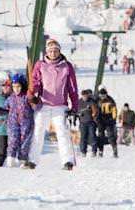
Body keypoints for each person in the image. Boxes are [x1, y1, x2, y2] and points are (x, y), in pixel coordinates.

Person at [27, 38, 79, 170]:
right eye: (51, 51)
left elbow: (72, 88)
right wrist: (32, 95)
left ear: (59, 51)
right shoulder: (40, 65)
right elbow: (36, 82)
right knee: (38, 131)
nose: (53, 53)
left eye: (56, 51)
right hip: (43, 104)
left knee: (62, 132)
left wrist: (75, 106)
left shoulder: (66, 66)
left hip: (60, 105)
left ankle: (68, 161)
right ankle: (32, 160)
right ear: (46, 52)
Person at [4, 73, 34, 168]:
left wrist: (35, 100)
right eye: (13, 87)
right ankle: (11, 159)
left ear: (23, 86)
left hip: (26, 122)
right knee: (13, 139)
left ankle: (23, 160)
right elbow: (5, 106)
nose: (16, 89)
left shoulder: (26, 97)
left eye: (18, 86)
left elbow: (37, 106)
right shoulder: (11, 98)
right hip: (13, 122)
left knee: (25, 141)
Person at [0, 78, 11, 167]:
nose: (5, 88)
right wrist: (10, 110)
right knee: (2, 150)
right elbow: (2, 106)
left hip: (13, 128)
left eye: (8, 86)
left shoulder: (15, 98)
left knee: (13, 150)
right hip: (2, 128)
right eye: (4, 86)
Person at [96, 86, 118, 158]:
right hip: (100, 120)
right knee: (100, 136)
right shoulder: (97, 100)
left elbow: (114, 110)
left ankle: (115, 150)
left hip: (109, 120)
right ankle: (101, 151)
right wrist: (96, 119)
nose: (102, 97)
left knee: (111, 136)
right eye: (101, 95)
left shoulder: (110, 100)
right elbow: (94, 110)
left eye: (104, 95)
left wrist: (113, 118)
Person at [78, 89, 98, 157]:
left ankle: (94, 151)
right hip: (82, 122)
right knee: (83, 137)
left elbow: (95, 110)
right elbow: (77, 110)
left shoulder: (91, 101)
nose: (85, 97)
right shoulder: (79, 102)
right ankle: (83, 151)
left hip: (91, 122)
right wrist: (78, 114)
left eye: (86, 96)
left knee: (92, 136)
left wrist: (94, 114)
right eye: (84, 96)